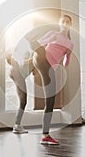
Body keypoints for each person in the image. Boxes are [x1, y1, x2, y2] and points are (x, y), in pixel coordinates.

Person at [30, 14, 74, 145]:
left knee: (50, 101)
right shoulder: (53, 33)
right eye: (63, 21)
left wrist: (68, 54)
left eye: (67, 22)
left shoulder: (70, 44)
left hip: (50, 68)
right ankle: (29, 50)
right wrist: (49, 40)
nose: (65, 24)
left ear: (70, 25)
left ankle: (45, 135)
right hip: (41, 58)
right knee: (38, 49)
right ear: (60, 23)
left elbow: (66, 64)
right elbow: (41, 44)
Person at [5, 45, 35, 134]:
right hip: (17, 72)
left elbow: (34, 73)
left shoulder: (33, 53)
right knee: (23, 100)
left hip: (16, 73)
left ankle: (17, 125)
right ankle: (17, 126)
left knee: (23, 101)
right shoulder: (30, 51)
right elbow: (22, 62)